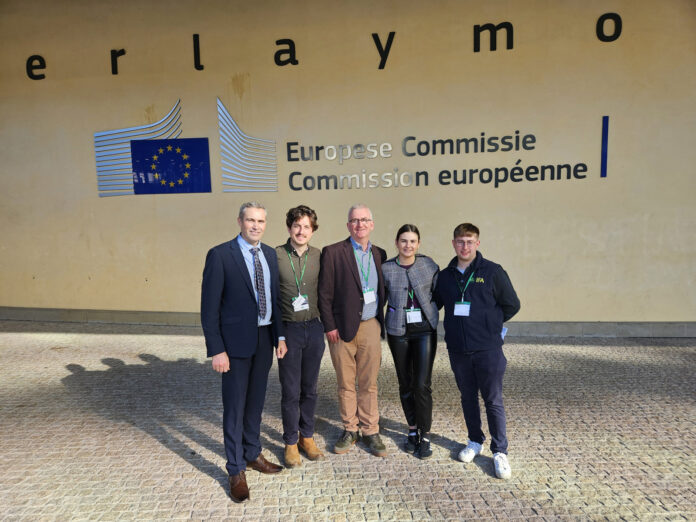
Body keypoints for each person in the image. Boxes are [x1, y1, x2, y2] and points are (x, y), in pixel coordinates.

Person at [200, 202, 288, 503]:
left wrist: (279, 336)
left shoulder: (269, 254)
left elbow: (274, 299)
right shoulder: (220, 255)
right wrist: (217, 349)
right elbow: (209, 308)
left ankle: (252, 454)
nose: (255, 226)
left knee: (256, 403)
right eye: (250, 220)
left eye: (261, 221)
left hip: (264, 339)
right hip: (234, 345)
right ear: (239, 221)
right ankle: (235, 469)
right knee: (235, 407)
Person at [434, 223, 520, 479]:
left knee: (493, 399)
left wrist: (490, 326)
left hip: (488, 350)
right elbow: (435, 303)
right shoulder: (446, 276)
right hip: (459, 350)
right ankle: (474, 441)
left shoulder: (492, 271)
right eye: (460, 242)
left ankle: (500, 451)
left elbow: (512, 304)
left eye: (470, 242)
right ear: (453, 243)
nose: (465, 246)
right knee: (468, 397)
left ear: (477, 243)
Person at [318, 204, 388, 457]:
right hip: (341, 329)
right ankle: (350, 428)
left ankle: (370, 430)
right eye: (355, 220)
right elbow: (324, 294)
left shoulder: (380, 253)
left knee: (369, 383)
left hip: (370, 325)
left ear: (372, 224)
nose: (360, 225)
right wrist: (330, 326)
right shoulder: (333, 252)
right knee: (346, 383)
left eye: (364, 220)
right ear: (348, 225)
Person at [381, 224, 439, 459]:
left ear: (418, 244)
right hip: (398, 331)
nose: (408, 245)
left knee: (421, 384)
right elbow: (380, 297)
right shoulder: (386, 268)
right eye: (404, 241)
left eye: (412, 241)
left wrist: (430, 310)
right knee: (405, 383)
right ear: (397, 243)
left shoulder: (429, 265)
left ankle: (426, 435)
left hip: (424, 330)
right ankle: (412, 429)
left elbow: (438, 293)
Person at [275, 205, 326, 467]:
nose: (301, 231)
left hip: (314, 328)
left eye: (306, 226)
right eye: (296, 225)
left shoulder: (319, 256)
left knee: (310, 389)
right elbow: (272, 298)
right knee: (291, 391)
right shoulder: (276, 255)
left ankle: (307, 437)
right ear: (289, 228)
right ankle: (290, 442)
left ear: (313, 230)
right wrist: (279, 337)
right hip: (289, 330)